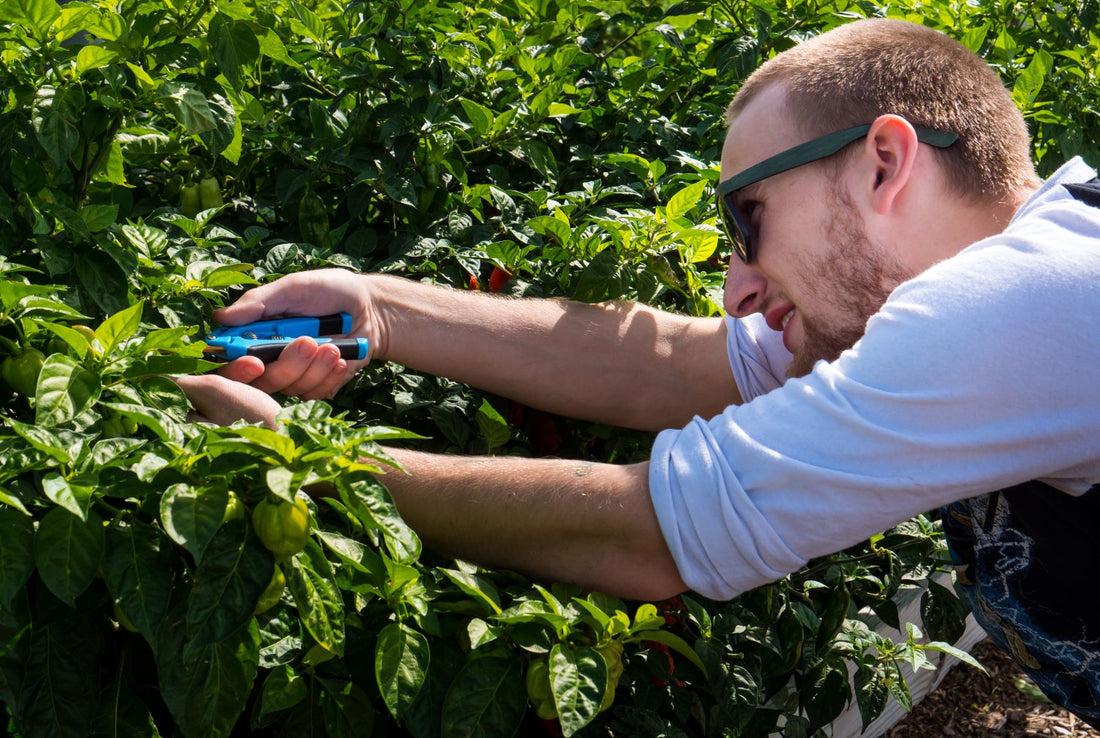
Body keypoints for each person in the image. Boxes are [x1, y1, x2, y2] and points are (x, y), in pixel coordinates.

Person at [177, 18, 1100, 724]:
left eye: (747, 221)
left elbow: (652, 532)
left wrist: (305, 469)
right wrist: (381, 308)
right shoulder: (1000, 283)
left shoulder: (1030, 301)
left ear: (884, 165)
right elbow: (673, 363)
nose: (737, 289)